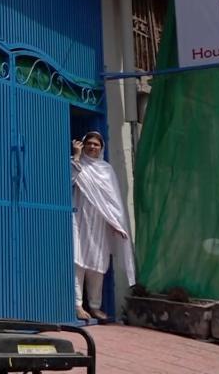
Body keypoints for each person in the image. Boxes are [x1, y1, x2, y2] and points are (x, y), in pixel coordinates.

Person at [71, 131, 135, 321]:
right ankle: (77, 304)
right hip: (79, 220)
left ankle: (95, 306)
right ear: (83, 145)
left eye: (96, 144)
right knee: (78, 261)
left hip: (100, 224)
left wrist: (116, 223)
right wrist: (76, 157)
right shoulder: (76, 164)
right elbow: (69, 181)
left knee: (98, 264)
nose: (92, 147)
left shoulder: (107, 170)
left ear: (102, 148)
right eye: (89, 143)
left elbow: (113, 201)